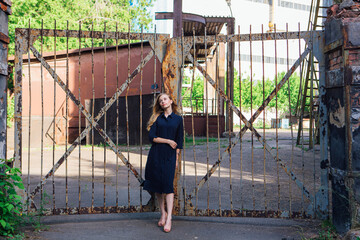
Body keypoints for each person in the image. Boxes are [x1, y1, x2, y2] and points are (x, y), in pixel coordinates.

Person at [143, 93, 184, 233]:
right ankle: (162, 213)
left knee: (168, 186)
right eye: (160, 101)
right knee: (158, 186)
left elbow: (180, 140)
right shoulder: (157, 119)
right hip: (156, 155)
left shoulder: (178, 119)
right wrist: (167, 141)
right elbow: (152, 137)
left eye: (165, 99)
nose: (163, 102)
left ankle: (169, 218)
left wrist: (177, 159)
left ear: (171, 101)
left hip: (170, 156)